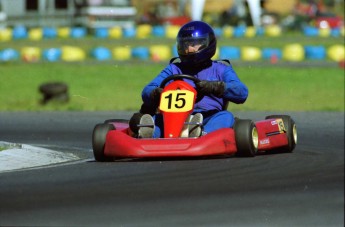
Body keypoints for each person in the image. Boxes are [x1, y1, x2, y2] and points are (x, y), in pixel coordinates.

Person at [129, 20, 248, 138]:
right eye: (186, 44)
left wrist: (215, 87)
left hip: (208, 117)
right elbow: (147, 90)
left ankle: (201, 133)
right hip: (173, 118)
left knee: (225, 117)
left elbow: (242, 92)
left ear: (208, 43)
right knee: (155, 120)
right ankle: (149, 134)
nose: (189, 49)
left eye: (194, 44)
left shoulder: (221, 69)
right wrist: (155, 93)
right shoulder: (174, 69)